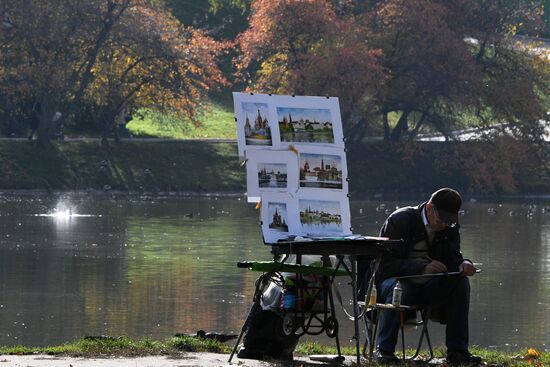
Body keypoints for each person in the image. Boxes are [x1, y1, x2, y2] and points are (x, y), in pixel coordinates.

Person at [364, 188, 481, 366]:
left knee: (461, 284)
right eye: (442, 219)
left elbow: (453, 258)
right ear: (429, 208)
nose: (444, 225)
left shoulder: (449, 227)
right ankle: (385, 350)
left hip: (428, 286)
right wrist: (421, 268)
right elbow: (384, 265)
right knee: (399, 288)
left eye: (449, 221)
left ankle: (458, 352)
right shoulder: (400, 220)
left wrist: (463, 264)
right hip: (392, 282)